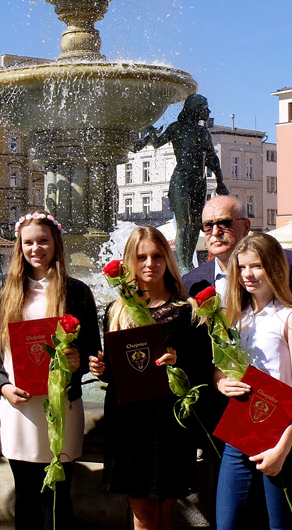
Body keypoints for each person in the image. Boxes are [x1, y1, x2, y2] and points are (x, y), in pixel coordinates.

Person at [0, 213, 98, 530]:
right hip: (19, 405)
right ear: (20, 246)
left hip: (63, 406)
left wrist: (79, 363)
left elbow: (92, 349)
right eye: (28, 242)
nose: (36, 248)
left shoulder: (76, 291)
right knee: (26, 496)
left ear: (55, 243)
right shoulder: (5, 288)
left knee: (58, 496)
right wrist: (2, 385)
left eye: (43, 241)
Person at [89, 225, 211, 530]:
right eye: (141, 257)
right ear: (130, 261)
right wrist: (100, 368)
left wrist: (179, 361)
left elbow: (203, 368)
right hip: (128, 423)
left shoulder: (188, 311)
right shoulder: (116, 311)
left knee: (163, 517)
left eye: (157, 256)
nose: (150, 264)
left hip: (168, 423)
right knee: (143, 515)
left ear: (167, 259)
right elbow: (117, 370)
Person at [213, 233, 292, 529]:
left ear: (274, 267)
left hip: (282, 432)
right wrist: (221, 382)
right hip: (240, 429)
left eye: (256, 266)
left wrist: (282, 449)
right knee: (227, 523)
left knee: (282, 524)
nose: (247, 274)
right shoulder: (234, 318)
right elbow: (220, 368)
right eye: (242, 267)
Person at [183, 195, 292, 320]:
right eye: (208, 226)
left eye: (224, 224)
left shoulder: (286, 264)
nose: (215, 232)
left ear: (246, 226)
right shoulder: (192, 282)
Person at [134, 93, 229, 276]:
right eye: (205, 108)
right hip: (181, 181)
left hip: (199, 182)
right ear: (194, 109)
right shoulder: (177, 128)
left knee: (196, 224)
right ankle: (184, 264)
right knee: (184, 224)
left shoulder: (203, 132)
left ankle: (188, 262)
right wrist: (151, 131)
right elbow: (157, 143)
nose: (208, 111)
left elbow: (211, 157)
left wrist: (220, 181)